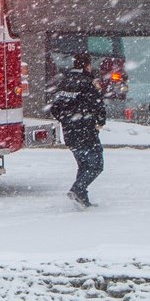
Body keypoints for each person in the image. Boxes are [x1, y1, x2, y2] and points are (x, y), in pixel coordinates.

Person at [49, 52, 107, 209]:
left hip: (70, 132)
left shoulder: (64, 82)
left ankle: (82, 196)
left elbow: (55, 108)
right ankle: (77, 189)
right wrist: (99, 121)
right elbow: (98, 105)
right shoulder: (88, 83)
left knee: (83, 165)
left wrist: (67, 120)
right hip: (86, 131)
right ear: (87, 66)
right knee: (96, 165)